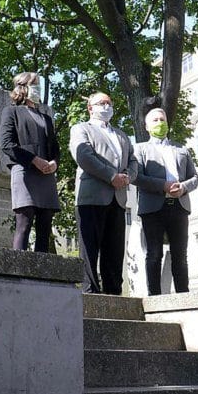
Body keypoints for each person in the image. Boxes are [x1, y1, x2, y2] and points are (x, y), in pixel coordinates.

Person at [69, 92, 137, 294]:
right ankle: (90, 290)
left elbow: (133, 161)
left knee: (115, 250)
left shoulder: (122, 135)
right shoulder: (81, 129)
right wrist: (111, 176)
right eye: (101, 103)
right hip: (92, 197)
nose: (107, 106)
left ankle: (114, 292)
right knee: (90, 248)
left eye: (109, 102)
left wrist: (127, 177)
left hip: (118, 198)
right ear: (90, 108)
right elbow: (84, 156)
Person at [133, 108, 198, 295]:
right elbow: (137, 177)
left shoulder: (181, 149)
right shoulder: (140, 149)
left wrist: (184, 187)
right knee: (153, 254)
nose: (160, 123)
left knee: (181, 255)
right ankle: (154, 296)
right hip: (153, 208)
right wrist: (163, 185)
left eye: (162, 119)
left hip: (179, 206)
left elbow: (194, 177)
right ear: (147, 126)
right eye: (155, 120)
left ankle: (183, 295)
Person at [0, 72, 60, 252]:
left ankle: (41, 273)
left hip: (46, 176)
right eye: (35, 85)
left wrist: (54, 163)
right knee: (24, 223)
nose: (38, 89)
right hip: (24, 172)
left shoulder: (46, 118)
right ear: (23, 87)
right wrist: (33, 159)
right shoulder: (11, 112)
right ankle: (18, 271)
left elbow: (55, 149)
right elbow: (6, 144)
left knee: (45, 225)